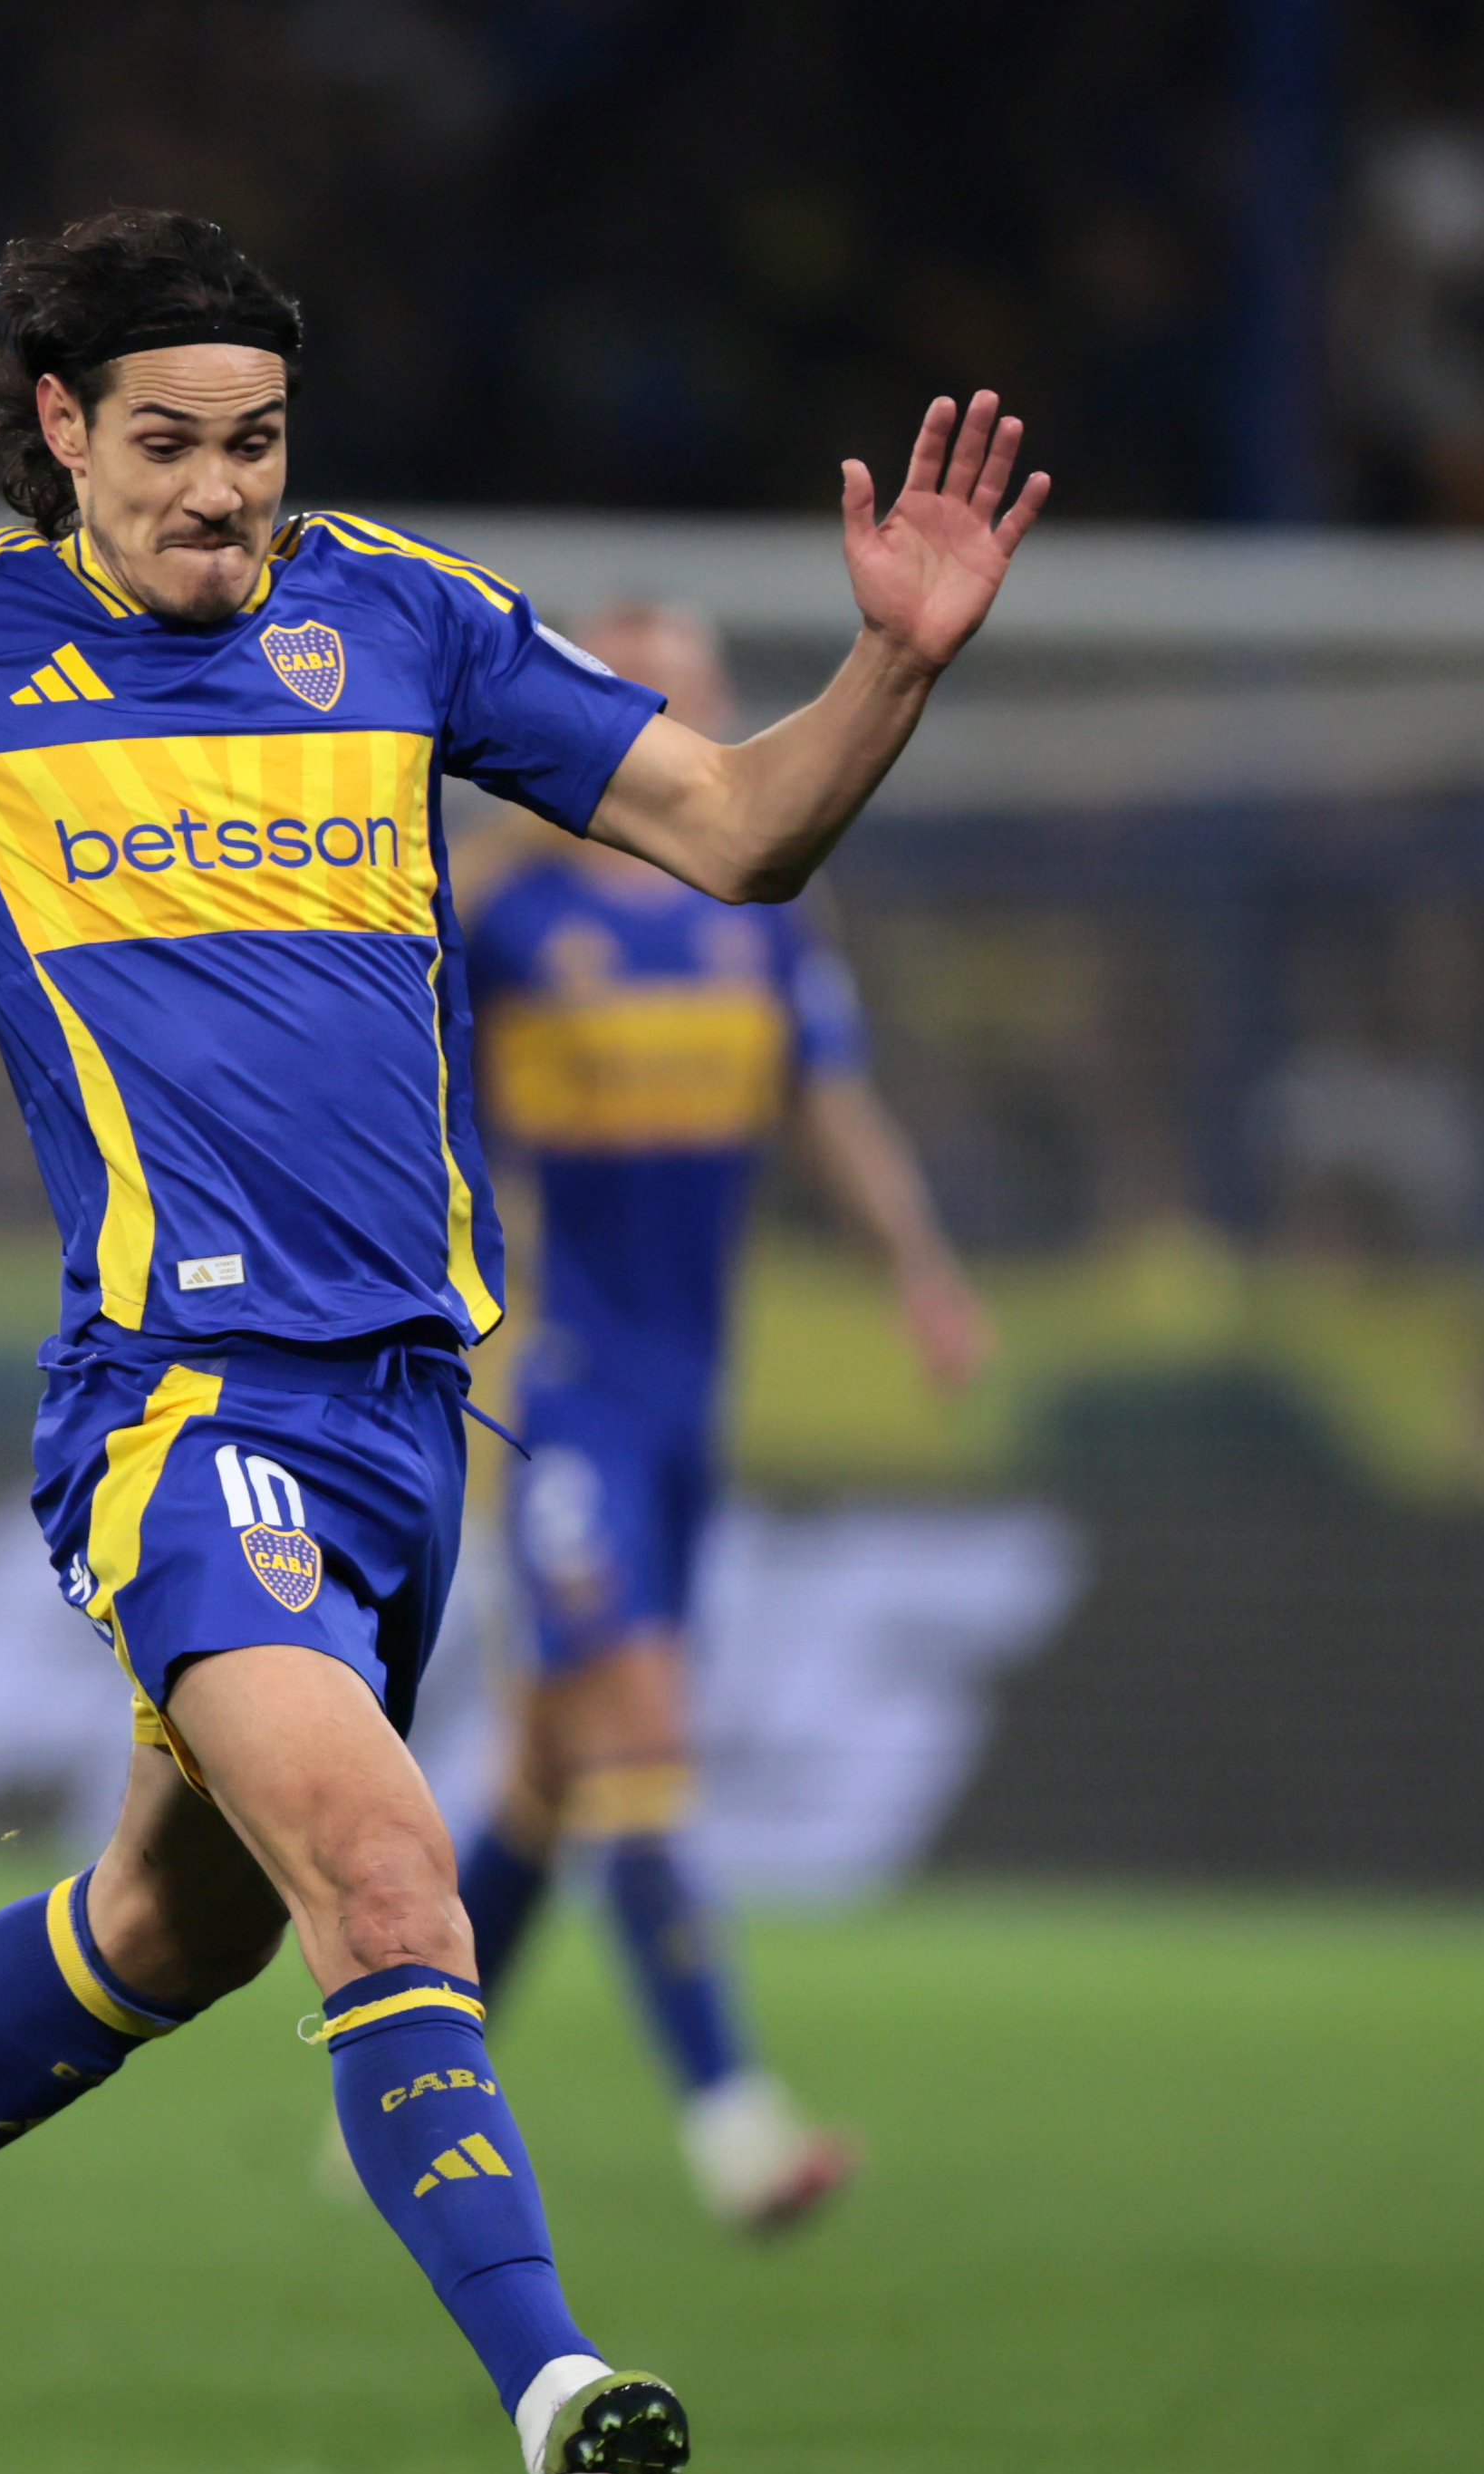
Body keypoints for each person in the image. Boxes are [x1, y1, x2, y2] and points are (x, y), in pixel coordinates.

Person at [0, 206, 1043, 2474]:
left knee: (177, 1926)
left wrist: (893, 670)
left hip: (417, 1417)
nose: (224, 493)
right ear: (63, 438)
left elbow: (734, 825)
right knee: (394, 1877)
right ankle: (563, 2410)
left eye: (260, 444)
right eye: (172, 447)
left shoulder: (396, 616)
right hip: (185, 1401)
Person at [451, 602, 990, 2235]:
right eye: (636, 685)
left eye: (693, 681)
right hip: (560, 1388)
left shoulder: (760, 923)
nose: (679, 707)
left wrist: (923, 1273)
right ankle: (737, 2126)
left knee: (553, 1774)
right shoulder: (514, 917)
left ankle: (393, 2077)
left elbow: (836, 1111)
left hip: (694, 1396)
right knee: (635, 1727)